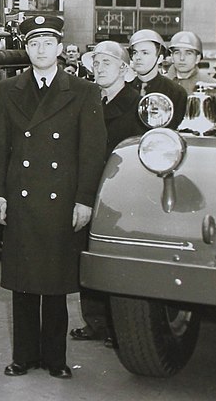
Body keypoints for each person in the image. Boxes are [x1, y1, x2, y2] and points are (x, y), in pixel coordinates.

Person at [0, 15, 107, 380]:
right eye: (33, 43)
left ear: (59, 48)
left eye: (47, 43)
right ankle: (23, 356)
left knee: (55, 285)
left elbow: (92, 152)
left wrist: (85, 200)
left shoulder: (83, 91)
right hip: (21, 200)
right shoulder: (7, 89)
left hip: (62, 201)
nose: (40, 50)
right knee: (23, 284)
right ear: (26, 48)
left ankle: (56, 358)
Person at [69, 40, 146, 346]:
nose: (99, 68)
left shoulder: (137, 106)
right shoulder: (91, 101)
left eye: (106, 63)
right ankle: (95, 321)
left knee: (119, 257)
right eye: (96, 63)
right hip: (92, 189)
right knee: (89, 252)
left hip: (123, 194)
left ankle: (119, 326)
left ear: (125, 70)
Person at [126, 29, 187, 130]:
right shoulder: (125, 89)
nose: (138, 57)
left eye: (145, 53)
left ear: (159, 58)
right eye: (135, 52)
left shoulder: (176, 92)